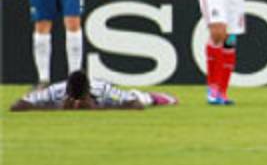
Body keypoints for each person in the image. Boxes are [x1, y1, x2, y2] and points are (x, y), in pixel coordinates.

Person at [10, 70, 178, 111]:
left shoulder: (103, 90)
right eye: (73, 100)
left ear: (88, 93)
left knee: (141, 98)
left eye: (80, 100)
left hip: (108, 99)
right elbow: (17, 105)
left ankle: (160, 97)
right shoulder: (56, 91)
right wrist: (56, 108)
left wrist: (98, 109)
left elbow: (136, 106)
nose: (76, 105)